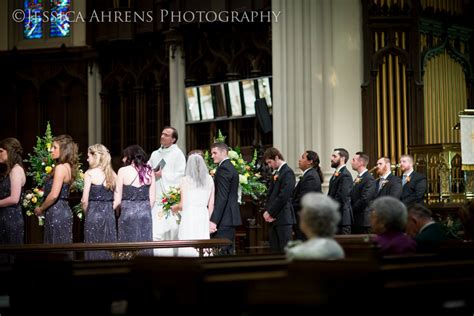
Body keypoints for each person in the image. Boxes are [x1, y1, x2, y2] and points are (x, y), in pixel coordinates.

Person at [148, 127, 186, 256]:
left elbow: (181, 175)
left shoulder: (178, 154)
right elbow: (148, 170)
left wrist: (163, 174)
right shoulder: (155, 154)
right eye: (162, 134)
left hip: (170, 199)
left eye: (166, 135)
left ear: (173, 139)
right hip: (157, 197)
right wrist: (152, 173)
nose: (162, 136)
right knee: (156, 232)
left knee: (170, 232)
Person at [35, 135, 78, 244]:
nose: (51, 150)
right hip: (64, 211)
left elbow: (54, 195)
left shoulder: (60, 168)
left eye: (54, 147)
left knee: (55, 250)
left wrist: (41, 208)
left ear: (63, 150)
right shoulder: (68, 167)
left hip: (56, 212)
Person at [172, 153, 215, 257]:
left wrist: (174, 208)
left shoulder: (185, 180)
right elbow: (211, 204)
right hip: (203, 214)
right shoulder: (209, 179)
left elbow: (182, 205)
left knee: (189, 242)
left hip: (189, 215)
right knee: (202, 242)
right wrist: (208, 220)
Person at [114, 145, 155, 251]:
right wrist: (144, 209)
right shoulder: (149, 171)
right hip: (145, 213)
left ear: (129, 157)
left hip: (128, 213)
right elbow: (152, 198)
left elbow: (117, 200)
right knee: (144, 247)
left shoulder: (122, 171)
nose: (123, 159)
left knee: (127, 247)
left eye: (124, 156)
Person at [81, 144, 117, 260]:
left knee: (93, 248)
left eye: (88, 156)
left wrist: (88, 214)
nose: (87, 159)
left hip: (93, 215)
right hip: (109, 216)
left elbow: (84, 200)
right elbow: (118, 199)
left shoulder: (89, 173)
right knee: (108, 247)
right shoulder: (112, 174)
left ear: (95, 156)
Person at [286, 193, 345, 260]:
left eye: (302, 213)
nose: (300, 215)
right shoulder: (337, 249)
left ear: (308, 221)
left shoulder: (297, 253)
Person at [209, 142, 241, 255]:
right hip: (229, 217)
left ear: (224, 152)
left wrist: (213, 221)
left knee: (221, 253)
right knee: (227, 253)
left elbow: (222, 197)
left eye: (214, 152)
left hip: (224, 218)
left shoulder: (224, 169)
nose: (212, 156)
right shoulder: (229, 166)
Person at [263, 147, 296, 253]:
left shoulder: (288, 172)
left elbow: (284, 196)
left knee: (285, 251)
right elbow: (271, 194)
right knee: (275, 252)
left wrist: (270, 212)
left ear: (277, 157)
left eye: (270, 162)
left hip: (283, 218)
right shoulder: (277, 172)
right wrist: (267, 211)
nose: (269, 165)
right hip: (274, 219)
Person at [292, 150, 323, 240]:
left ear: (310, 161)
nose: (299, 160)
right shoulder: (309, 174)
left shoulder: (311, 176)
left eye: (303, 157)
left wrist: (290, 207)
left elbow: (304, 199)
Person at [0, 138, 25, 244]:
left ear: (10, 151)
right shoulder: (13, 169)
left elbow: (14, 198)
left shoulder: (15, 170)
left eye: (1, 151)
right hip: (7, 216)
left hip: (11, 218)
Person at [327, 148, 353, 234]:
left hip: (342, 218)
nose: (331, 158)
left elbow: (342, 196)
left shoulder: (345, 175)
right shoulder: (337, 173)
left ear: (342, 159)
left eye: (334, 156)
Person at [350, 152, 376, 234]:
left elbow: (365, 199)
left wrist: (351, 209)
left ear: (361, 163)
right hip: (357, 219)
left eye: (353, 160)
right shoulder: (359, 177)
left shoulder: (369, 179)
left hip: (363, 221)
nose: (351, 162)